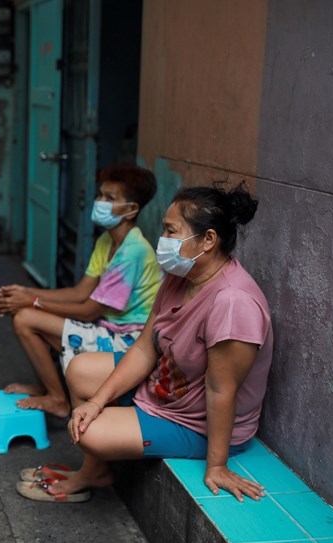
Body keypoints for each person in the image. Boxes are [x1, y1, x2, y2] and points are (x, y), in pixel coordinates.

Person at [17, 182, 272, 503]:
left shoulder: (233, 303)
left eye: (171, 231)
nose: (162, 240)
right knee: (80, 370)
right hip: (167, 391)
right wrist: (96, 401)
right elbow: (144, 347)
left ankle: (95, 467)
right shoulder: (181, 277)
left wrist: (217, 464)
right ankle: (94, 471)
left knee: (91, 433)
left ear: (208, 240)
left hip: (196, 422)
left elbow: (222, 390)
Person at [0, 164, 162, 417]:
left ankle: (58, 399)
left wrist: (33, 301)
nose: (99, 201)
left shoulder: (132, 251)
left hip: (129, 340)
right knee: (27, 313)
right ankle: (47, 387)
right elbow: (81, 292)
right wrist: (25, 293)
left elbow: (89, 311)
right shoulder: (107, 241)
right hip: (108, 327)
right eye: (100, 194)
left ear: (131, 210)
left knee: (26, 318)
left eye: (110, 198)